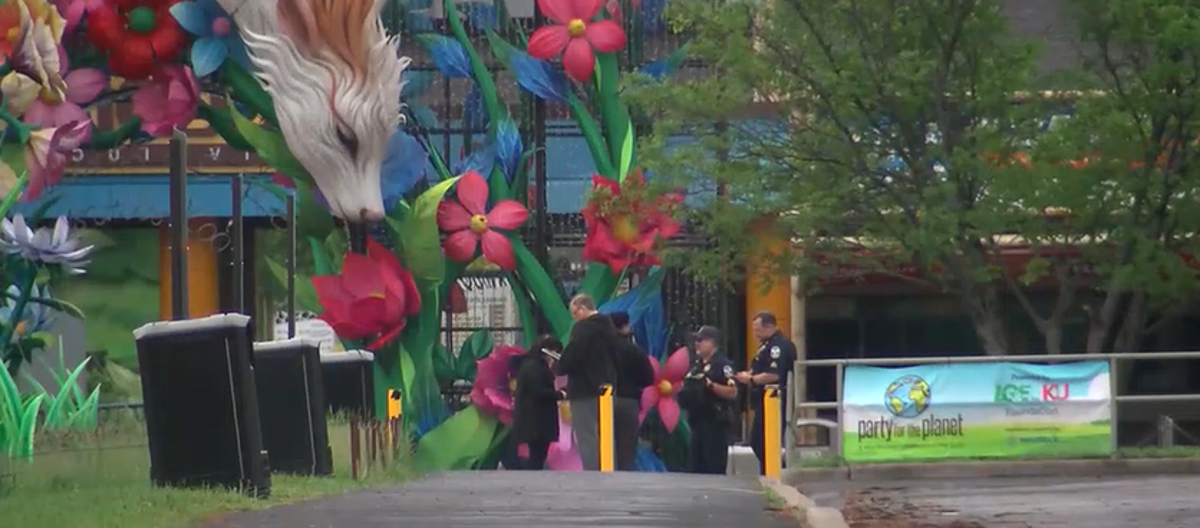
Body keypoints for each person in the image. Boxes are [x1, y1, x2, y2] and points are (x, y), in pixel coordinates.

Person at [556, 294, 620, 471]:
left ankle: (592, 473)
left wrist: (560, 365)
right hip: (607, 388)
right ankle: (609, 469)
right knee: (607, 433)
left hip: (584, 390)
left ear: (583, 309)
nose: (574, 318)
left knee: (587, 435)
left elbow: (573, 357)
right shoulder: (609, 327)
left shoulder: (583, 329)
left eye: (574, 313)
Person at [735, 310, 798, 475]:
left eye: (758, 330)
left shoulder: (778, 346)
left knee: (762, 441)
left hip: (775, 399)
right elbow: (759, 368)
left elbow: (774, 374)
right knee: (758, 441)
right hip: (762, 400)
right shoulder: (765, 346)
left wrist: (751, 379)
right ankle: (768, 471)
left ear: (769, 326)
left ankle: (774, 471)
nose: (755, 334)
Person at [678, 325, 739, 474]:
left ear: (713, 343)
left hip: (715, 422)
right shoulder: (697, 366)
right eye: (696, 340)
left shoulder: (722, 365)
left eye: (701, 340)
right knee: (695, 467)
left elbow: (733, 392)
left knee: (713, 467)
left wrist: (711, 386)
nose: (696, 344)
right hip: (697, 422)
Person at [512, 335, 566, 470]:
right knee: (537, 455)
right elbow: (537, 390)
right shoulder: (534, 367)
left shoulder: (532, 365)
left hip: (536, 418)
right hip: (536, 418)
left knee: (538, 454)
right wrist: (559, 394)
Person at [609, 311, 655, 471]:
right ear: (624, 327)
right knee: (626, 446)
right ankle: (622, 476)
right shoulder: (633, 350)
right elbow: (649, 377)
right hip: (628, 400)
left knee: (605, 443)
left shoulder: (602, 350)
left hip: (603, 400)